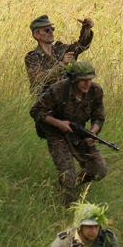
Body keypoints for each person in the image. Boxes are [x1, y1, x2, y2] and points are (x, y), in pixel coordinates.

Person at [29, 61, 107, 206]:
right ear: (74, 79)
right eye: (83, 80)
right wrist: (59, 123)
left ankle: (69, 186)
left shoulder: (95, 91)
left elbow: (99, 117)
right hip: (56, 133)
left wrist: (92, 133)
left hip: (79, 133)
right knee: (67, 174)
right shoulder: (58, 90)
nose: (87, 83)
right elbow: (35, 111)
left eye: (90, 79)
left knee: (99, 170)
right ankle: (67, 206)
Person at [25, 14, 94, 95]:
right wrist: (62, 65)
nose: (51, 32)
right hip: (45, 99)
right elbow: (38, 79)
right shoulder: (32, 57)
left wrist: (86, 29)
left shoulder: (61, 49)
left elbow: (82, 46)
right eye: (47, 30)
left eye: (52, 29)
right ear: (36, 35)